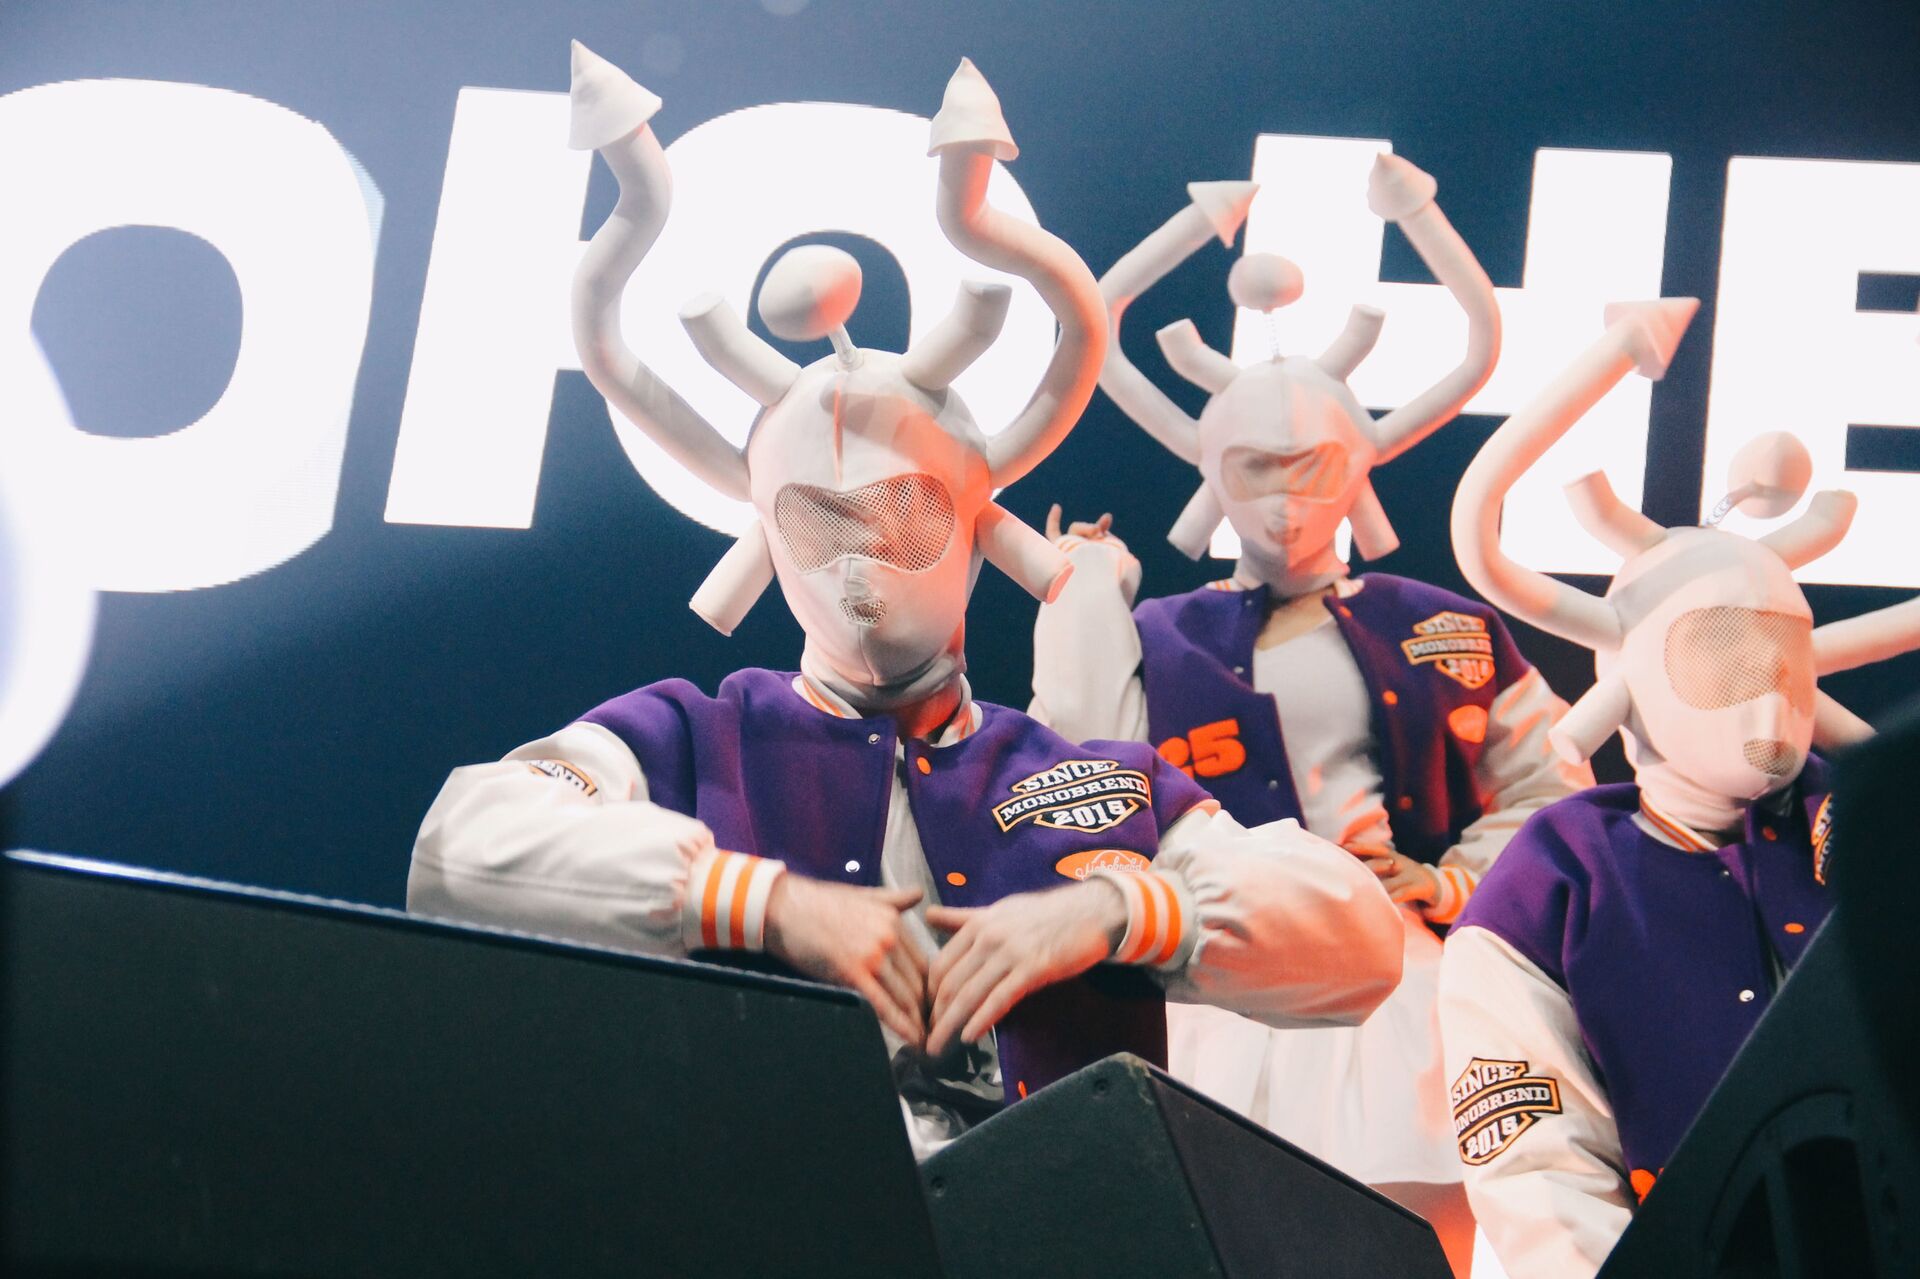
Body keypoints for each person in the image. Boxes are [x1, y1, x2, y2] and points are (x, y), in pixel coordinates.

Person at [408, 47, 1404, 1155]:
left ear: (978, 526)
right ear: (766, 536)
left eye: (902, 521)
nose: (858, 571)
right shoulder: (691, 738)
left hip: (1053, 1224)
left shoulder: (1087, 781)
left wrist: (1117, 910)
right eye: (818, 527)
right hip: (764, 1208)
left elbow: (1360, 941)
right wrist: (757, 900)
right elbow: (461, 848)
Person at [1030, 161, 1589, 1274]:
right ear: (1212, 472)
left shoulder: (1444, 627)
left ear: (1359, 464)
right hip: (1222, 982)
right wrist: (1084, 599)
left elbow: (1549, 787)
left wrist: (1451, 885)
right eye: (1254, 468)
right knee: (1216, 1222)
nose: (1286, 498)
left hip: (1402, 977)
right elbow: (1082, 768)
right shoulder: (1161, 631)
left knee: (1426, 1229)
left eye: (1313, 465)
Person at [1439, 297, 1920, 1276]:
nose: (1766, 697)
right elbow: (1539, 1174)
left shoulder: (1875, 838)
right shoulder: (1552, 881)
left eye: (1783, 658)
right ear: (1630, 670)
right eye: (1721, 654)